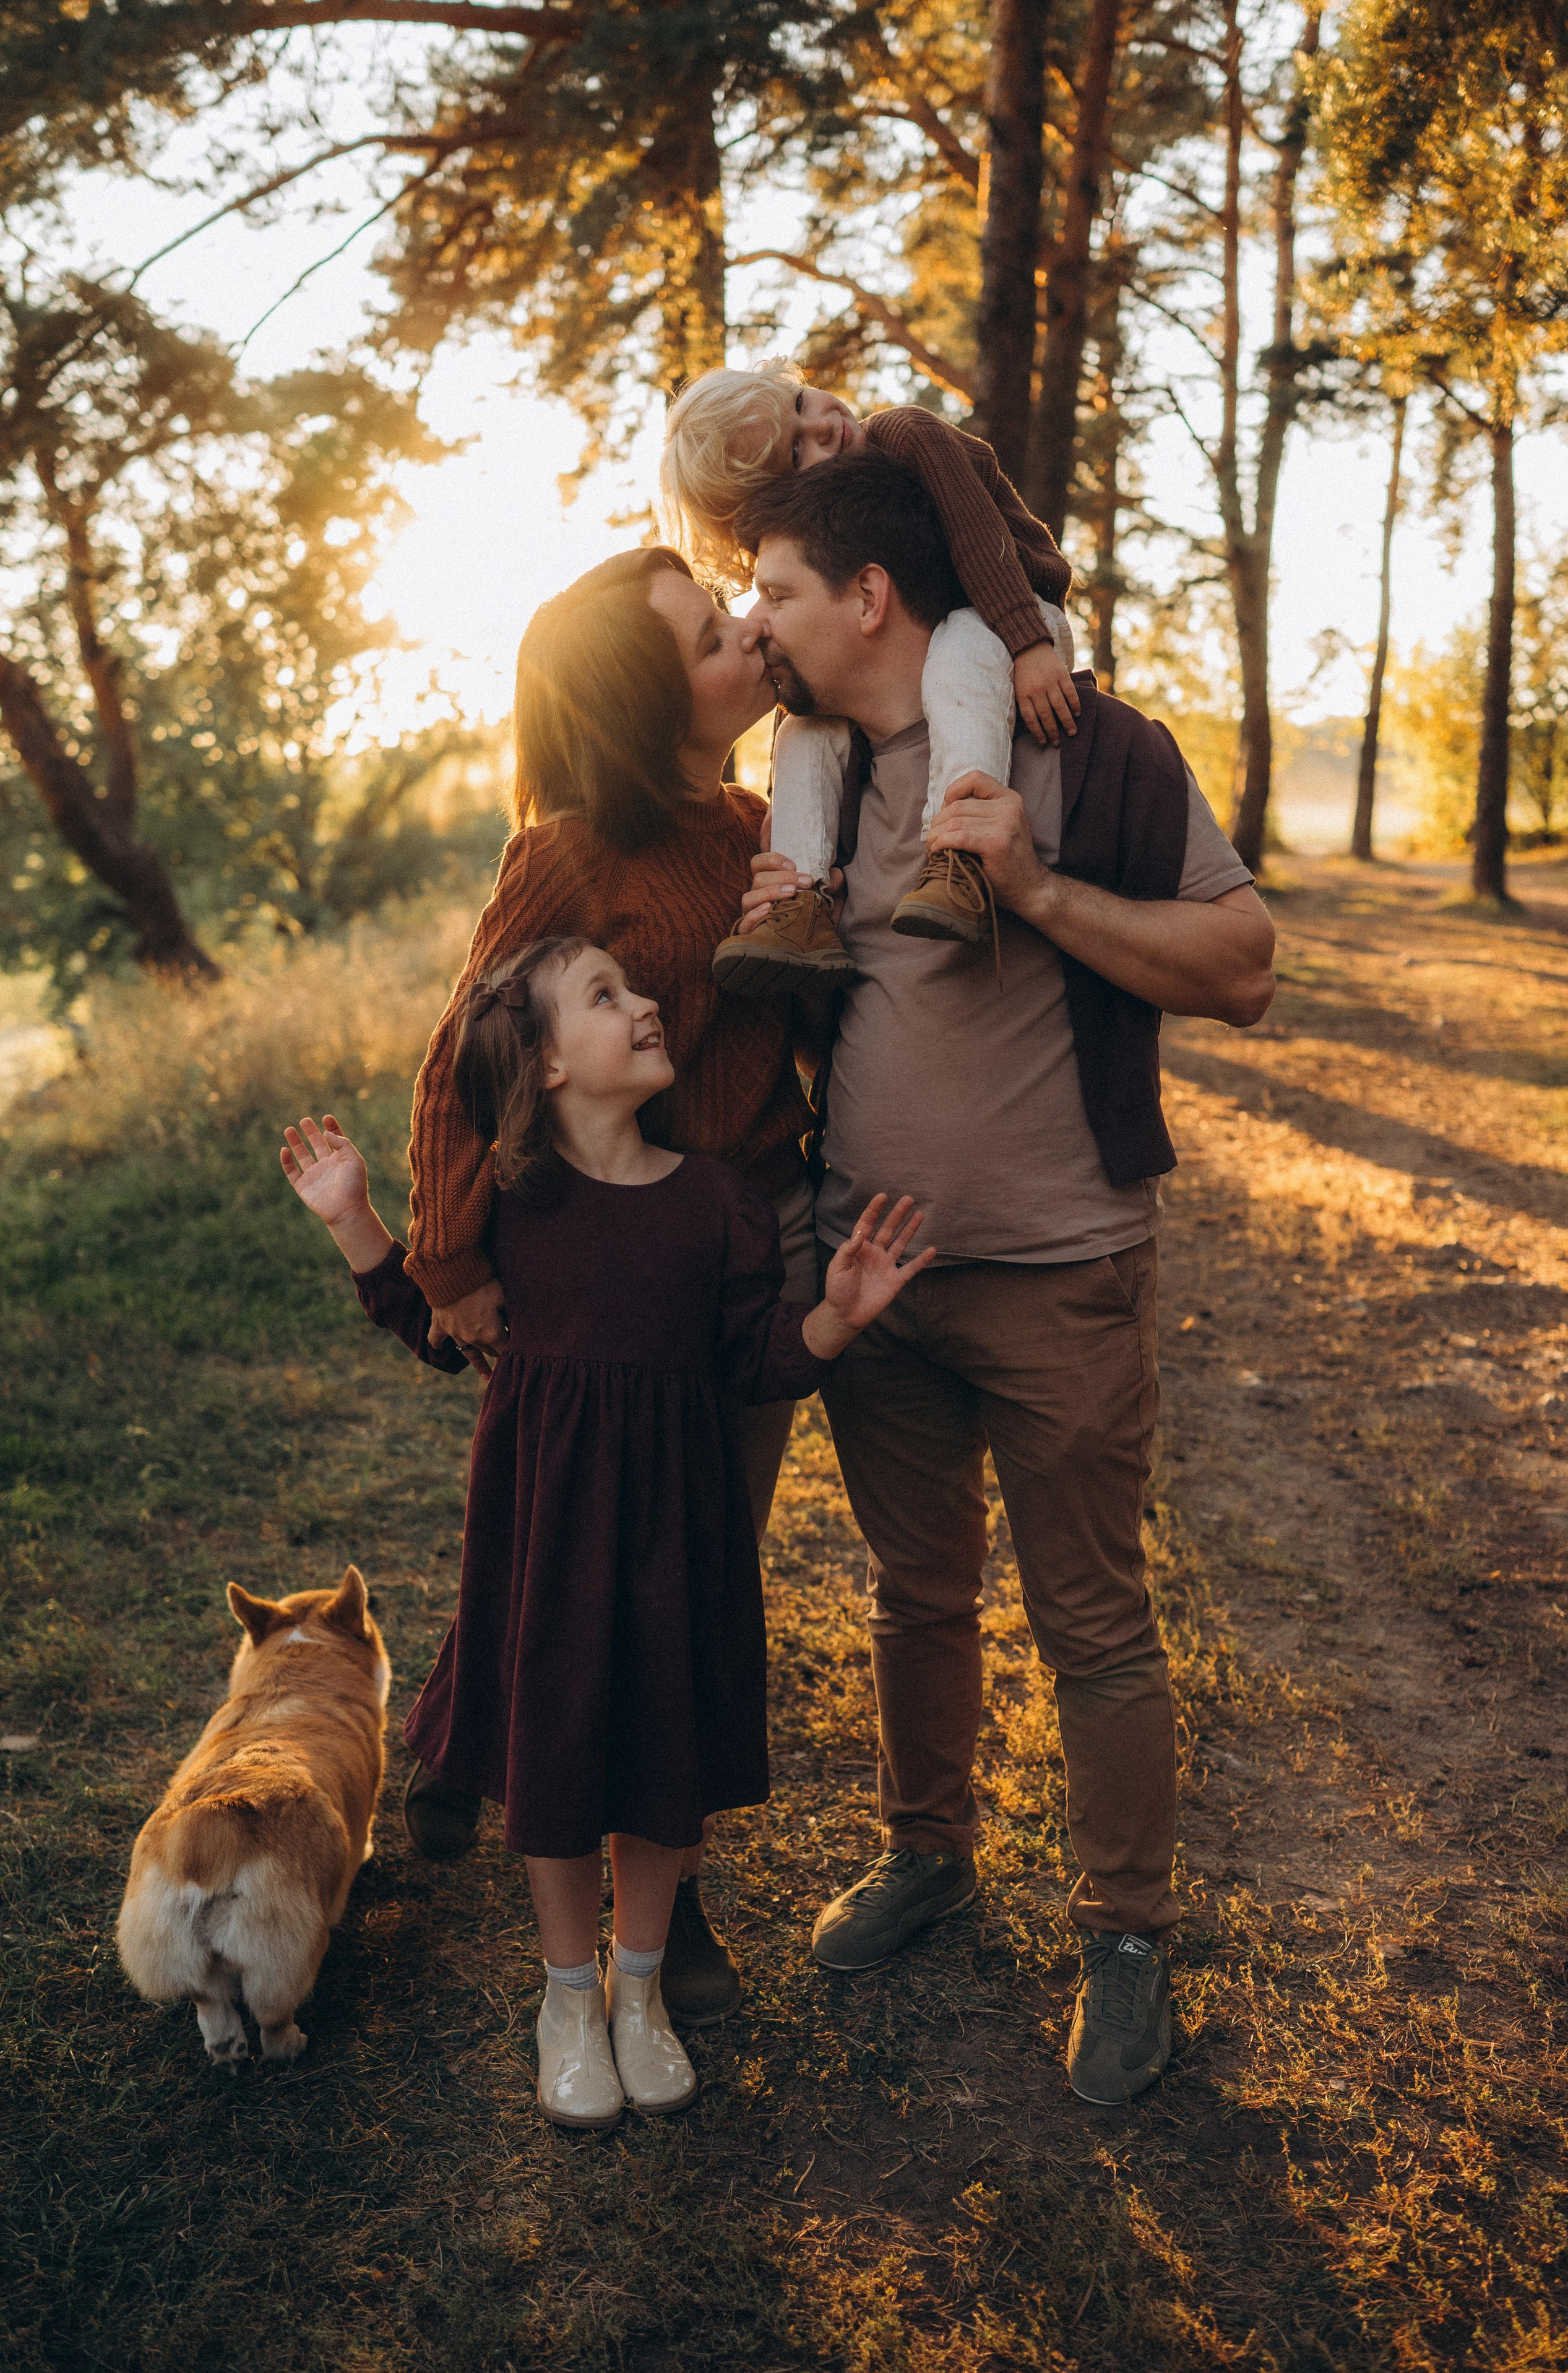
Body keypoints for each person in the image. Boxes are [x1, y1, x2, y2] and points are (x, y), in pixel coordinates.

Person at [726, 454, 1277, 2106]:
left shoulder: (1095, 750)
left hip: (1063, 1274)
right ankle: (928, 1856)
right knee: (916, 1598)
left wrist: (1031, 885)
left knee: (1092, 1620)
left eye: (774, 591)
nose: (759, 621)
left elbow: (1243, 969)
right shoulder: (806, 779)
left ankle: (1124, 1933)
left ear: (867, 597)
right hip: (875, 1281)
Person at [279, 937, 933, 2129]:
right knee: (562, 1749)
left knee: (657, 1748)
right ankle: (568, 1998)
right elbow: (441, 1336)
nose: (645, 1005)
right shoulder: (512, 1216)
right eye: (606, 996)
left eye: (637, 987)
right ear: (545, 1063)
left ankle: (642, 1994)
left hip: (679, 1530)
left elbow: (757, 1360)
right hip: (548, 1533)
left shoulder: (718, 1203)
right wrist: (359, 1227)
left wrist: (835, 1318)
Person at [397, 545, 820, 2028]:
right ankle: (566, 1818)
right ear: (650, 710)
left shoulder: (769, 823)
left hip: (731, 1234)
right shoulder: (572, 853)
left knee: (689, 1552)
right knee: (582, 1536)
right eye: (715, 634)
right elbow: (468, 1053)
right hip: (591, 1257)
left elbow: (792, 1031)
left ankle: (591, 1810)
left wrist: (798, 925)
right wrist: (447, 1261)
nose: (748, 636)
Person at [658, 361, 1081, 973]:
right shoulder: (832, 529)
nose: (822, 426)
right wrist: (797, 809)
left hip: (1017, 608)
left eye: (801, 401)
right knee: (803, 731)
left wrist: (1026, 643)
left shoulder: (906, 437)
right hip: (944, 638)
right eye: (796, 450)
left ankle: (960, 855)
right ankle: (798, 904)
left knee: (959, 646)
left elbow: (976, 536)